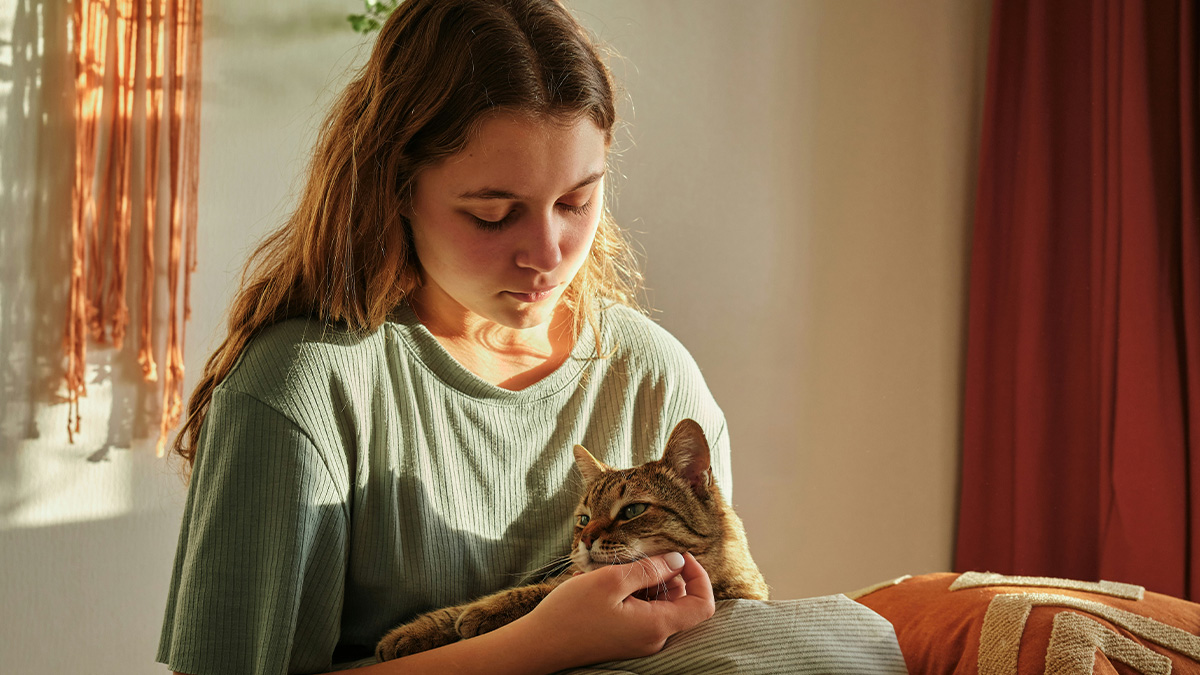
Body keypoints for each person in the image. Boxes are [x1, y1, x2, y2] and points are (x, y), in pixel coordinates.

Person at [157, 1, 731, 673]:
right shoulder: (298, 392)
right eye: (493, 214)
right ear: (395, 185)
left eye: (576, 202)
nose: (548, 253)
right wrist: (541, 642)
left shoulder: (652, 375)